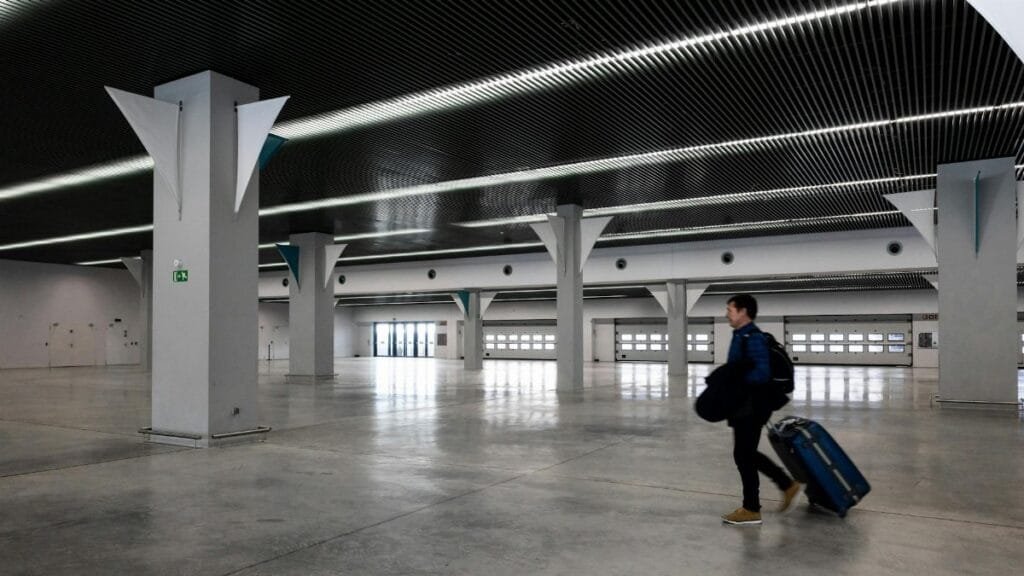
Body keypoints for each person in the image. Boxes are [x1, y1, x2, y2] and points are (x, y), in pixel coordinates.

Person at [721, 294, 802, 525]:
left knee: (744, 454)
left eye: (730, 309)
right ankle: (779, 490)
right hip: (744, 405)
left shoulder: (753, 338)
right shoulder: (741, 335)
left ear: (743, 311)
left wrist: (736, 379)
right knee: (744, 454)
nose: (727, 314)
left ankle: (755, 506)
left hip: (752, 406)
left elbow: (761, 374)